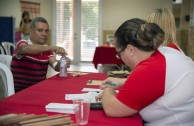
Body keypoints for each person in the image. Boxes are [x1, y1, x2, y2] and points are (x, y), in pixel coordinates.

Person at [96, 18, 194, 126]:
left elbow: (112, 109)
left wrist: (108, 90)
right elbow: (159, 83)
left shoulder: (150, 68)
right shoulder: (168, 50)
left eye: (119, 54)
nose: (120, 58)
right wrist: (123, 82)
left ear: (131, 50)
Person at [11, 17, 70, 92]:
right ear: (31, 31)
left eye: (46, 31)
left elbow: (56, 67)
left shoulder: (47, 49)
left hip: (40, 90)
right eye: (40, 30)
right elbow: (24, 49)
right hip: (21, 92)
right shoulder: (23, 43)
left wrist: (62, 63)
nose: (44, 34)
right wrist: (52, 47)